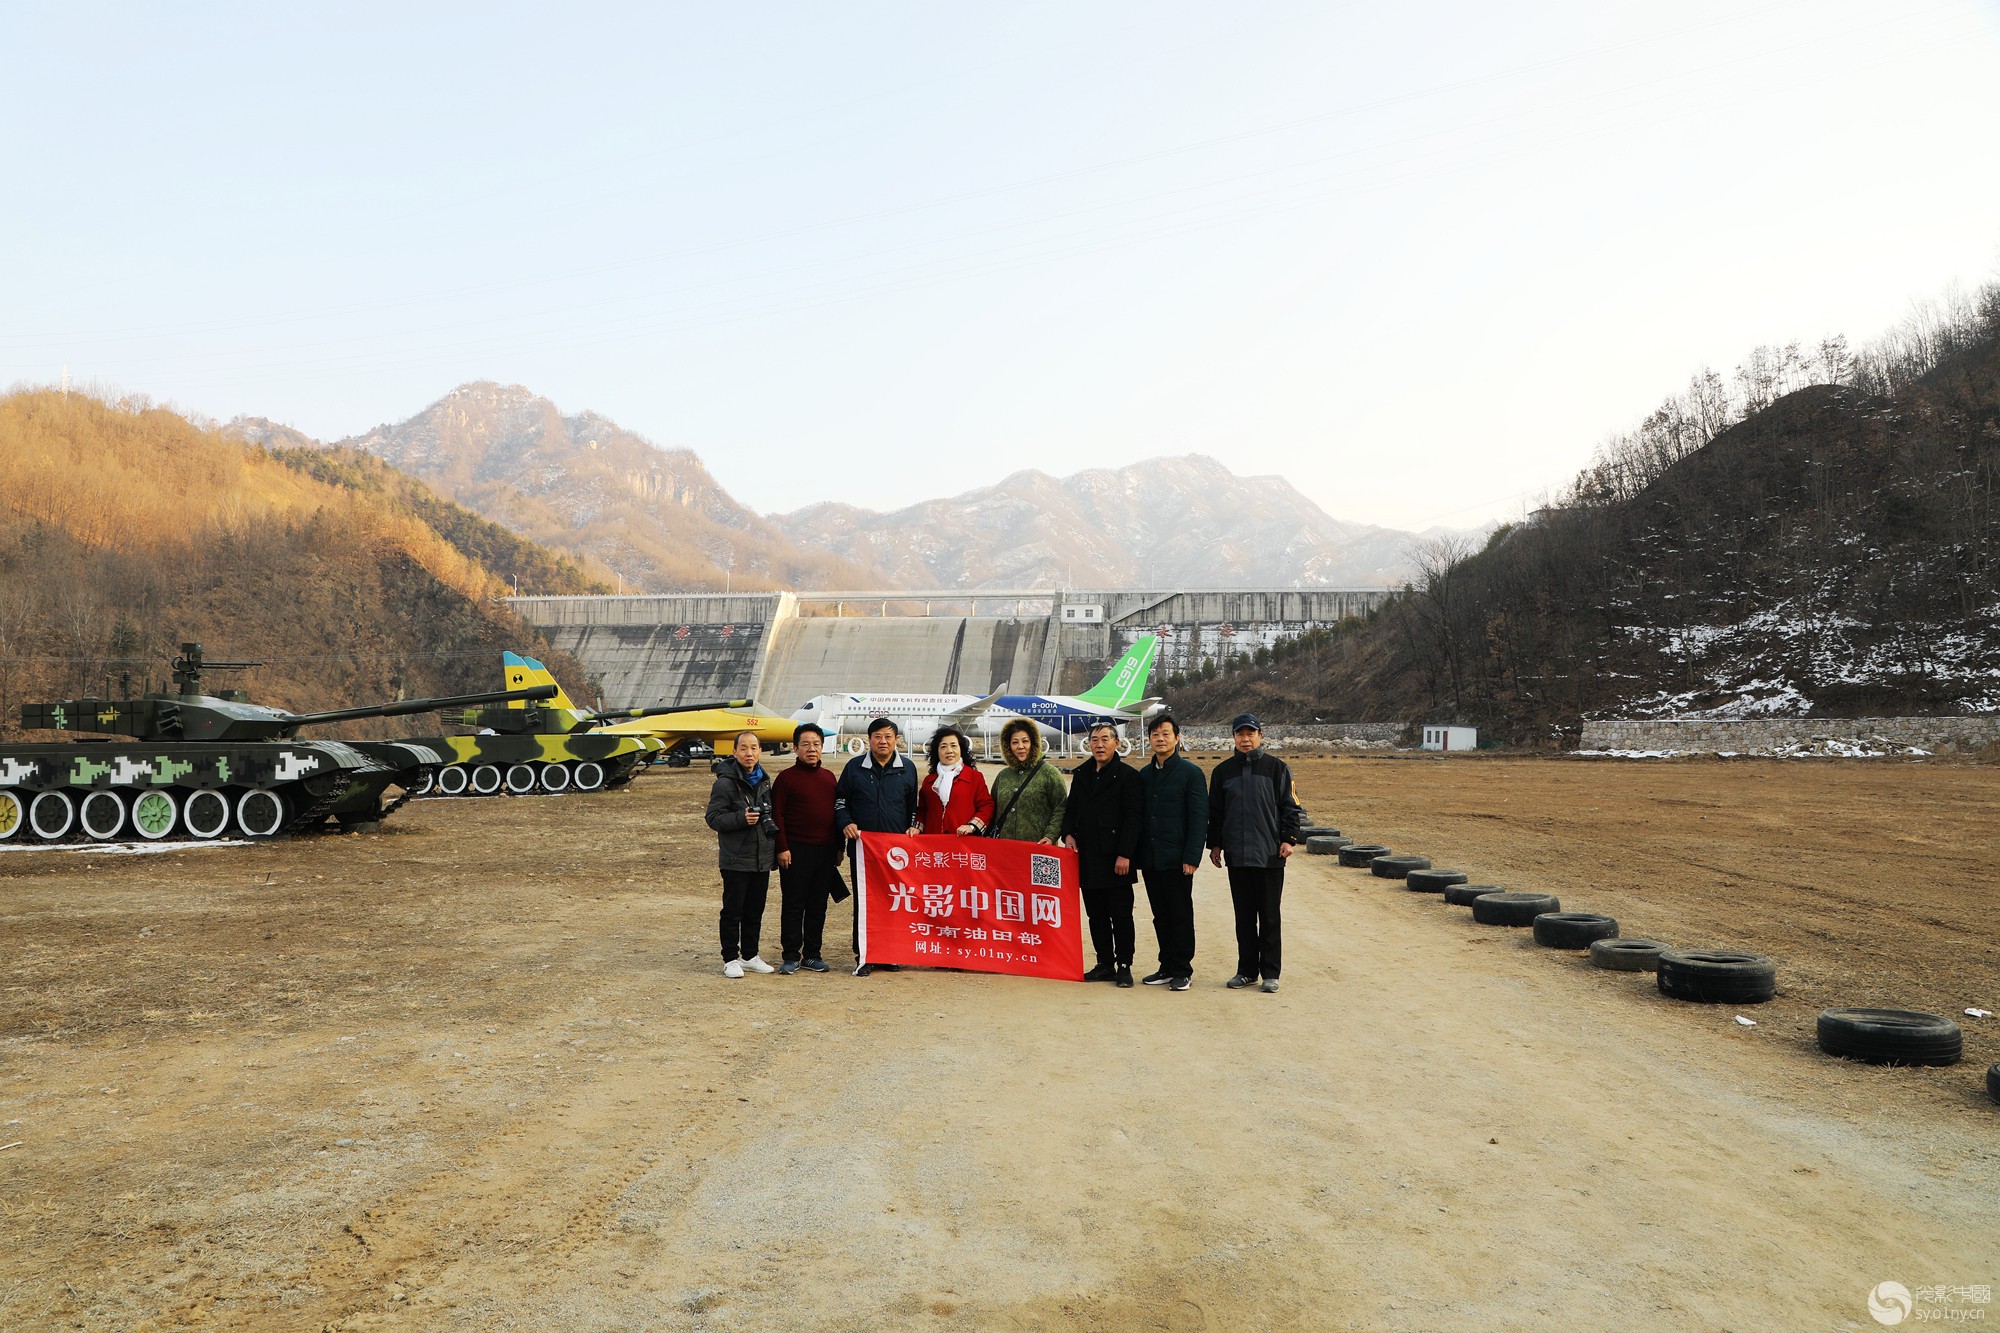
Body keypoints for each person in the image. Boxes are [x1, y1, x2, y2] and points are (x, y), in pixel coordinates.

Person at [1206, 713, 1304, 993]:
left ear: (1261, 736)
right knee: (1244, 916)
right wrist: (1215, 844)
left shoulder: (1277, 768)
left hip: (1269, 856)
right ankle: (1246, 970)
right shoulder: (1223, 772)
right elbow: (1216, 812)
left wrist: (1289, 840)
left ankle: (1270, 972)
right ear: (1233, 738)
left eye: (1250, 734)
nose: (1245, 739)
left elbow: (1291, 807)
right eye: (1240, 734)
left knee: (1270, 915)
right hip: (1237, 856)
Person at [834, 717, 921, 977]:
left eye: (888, 736)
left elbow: (912, 808)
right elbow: (839, 803)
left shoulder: (908, 768)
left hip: (896, 854)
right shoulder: (853, 768)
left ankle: (889, 953)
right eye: (877, 736)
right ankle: (865, 954)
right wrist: (846, 823)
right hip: (863, 851)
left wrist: (913, 828)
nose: (883, 741)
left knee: (893, 902)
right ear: (868, 739)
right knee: (866, 903)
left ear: (896, 740)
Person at [1061, 720, 1144, 987]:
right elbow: (1071, 809)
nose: (1099, 744)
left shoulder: (1129, 776)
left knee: (1120, 914)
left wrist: (1125, 854)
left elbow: (1134, 818)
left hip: (1116, 858)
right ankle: (1104, 963)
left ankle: (1124, 965)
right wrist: (1068, 834)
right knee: (1095, 915)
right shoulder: (1083, 774)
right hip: (1088, 855)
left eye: (1105, 739)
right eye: (1094, 740)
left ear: (1116, 743)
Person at [1135, 712, 1207, 992]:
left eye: (1166, 734)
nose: (1160, 739)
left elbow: (1199, 818)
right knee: (1160, 914)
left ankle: (1182, 969)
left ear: (1177, 738)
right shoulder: (1145, 774)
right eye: (1155, 734)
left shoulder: (1191, 773)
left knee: (1179, 913)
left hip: (1178, 859)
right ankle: (1166, 966)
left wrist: (1191, 857)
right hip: (1152, 858)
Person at [704, 730, 779, 979]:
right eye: (744, 748)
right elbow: (713, 818)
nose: (749, 753)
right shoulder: (724, 783)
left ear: (760, 751)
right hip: (736, 858)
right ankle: (730, 959)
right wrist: (741, 818)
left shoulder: (764, 780)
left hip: (761, 858)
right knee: (733, 911)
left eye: (754, 748)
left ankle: (750, 956)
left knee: (754, 910)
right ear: (734, 752)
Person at [772, 722, 844, 974]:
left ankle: (812, 954)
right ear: (795, 748)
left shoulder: (829, 778)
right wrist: (781, 847)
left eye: (816, 744)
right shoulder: (785, 778)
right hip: (794, 851)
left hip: (825, 852)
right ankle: (790, 955)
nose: (811, 749)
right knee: (793, 904)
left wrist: (839, 848)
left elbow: (837, 814)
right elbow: (776, 815)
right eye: (805, 744)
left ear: (822, 747)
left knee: (817, 905)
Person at [988, 718, 1066, 843]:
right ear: (1008, 746)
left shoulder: (1049, 773)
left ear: (1033, 743)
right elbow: (991, 809)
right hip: (1005, 850)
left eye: (1025, 741)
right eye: (1015, 742)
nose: (1020, 746)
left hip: (1038, 849)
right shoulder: (1003, 776)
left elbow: (1060, 808)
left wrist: (1051, 835)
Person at [917, 726, 995, 836]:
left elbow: (987, 806)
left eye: (953, 745)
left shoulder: (974, 777)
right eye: (943, 746)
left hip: (963, 844)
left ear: (961, 749)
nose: (949, 751)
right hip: (933, 844)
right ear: (937, 752)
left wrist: (972, 826)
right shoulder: (929, 781)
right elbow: (922, 811)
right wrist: (917, 828)